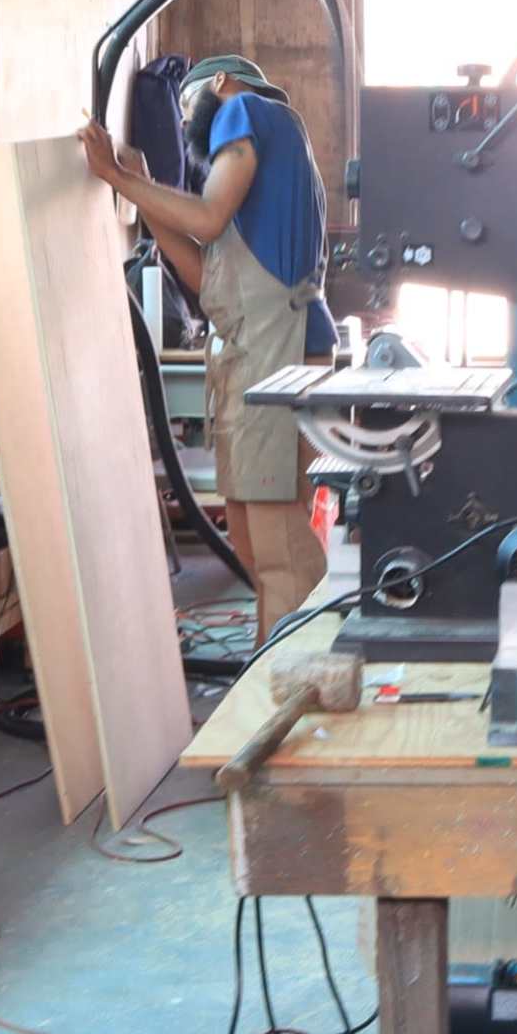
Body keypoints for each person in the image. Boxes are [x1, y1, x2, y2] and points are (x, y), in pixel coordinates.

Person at [80, 56, 332, 632]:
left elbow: (208, 216)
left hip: (279, 355)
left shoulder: (245, 108)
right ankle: (273, 676)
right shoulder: (269, 174)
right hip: (257, 351)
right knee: (247, 531)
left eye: (190, 105)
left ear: (220, 84)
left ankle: (288, 688)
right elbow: (206, 279)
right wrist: (143, 190)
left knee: (276, 539)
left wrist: (121, 179)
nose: (194, 123)